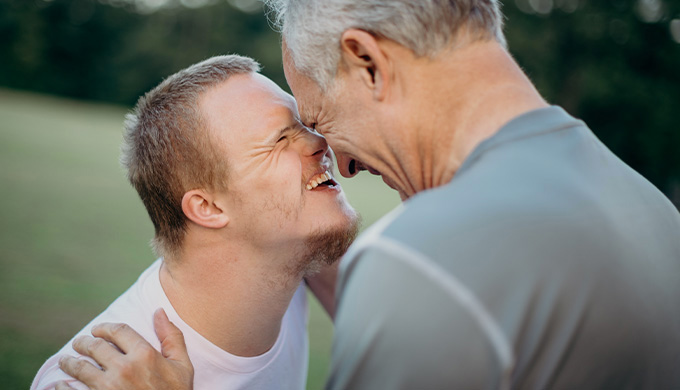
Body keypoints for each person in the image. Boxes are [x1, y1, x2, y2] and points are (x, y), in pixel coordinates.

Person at [60, 0, 680, 389]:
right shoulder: (646, 204)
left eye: (319, 119)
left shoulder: (427, 262)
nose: (342, 162)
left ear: (368, 63)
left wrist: (400, 281)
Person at [33, 54, 359, 390]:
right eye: (280, 140)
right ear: (207, 207)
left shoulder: (296, 255)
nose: (320, 142)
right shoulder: (93, 379)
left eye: (306, 125)